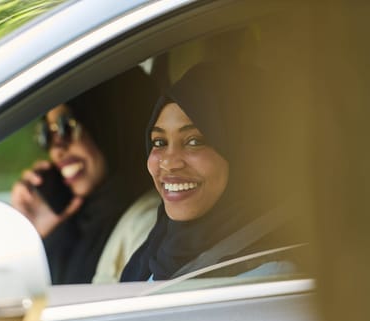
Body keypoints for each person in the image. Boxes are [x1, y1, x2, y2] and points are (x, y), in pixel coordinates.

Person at [120, 61, 310, 282]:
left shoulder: (270, 275)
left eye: (194, 141)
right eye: (160, 142)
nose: (169, 163)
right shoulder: (157, 250)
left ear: (246, 154)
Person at [11, 67, 158, 284]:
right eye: (46, 134)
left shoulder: (149, 224)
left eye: (65, 127)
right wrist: (39, 233)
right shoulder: (79, 223)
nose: (56, 150)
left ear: (111, 122)